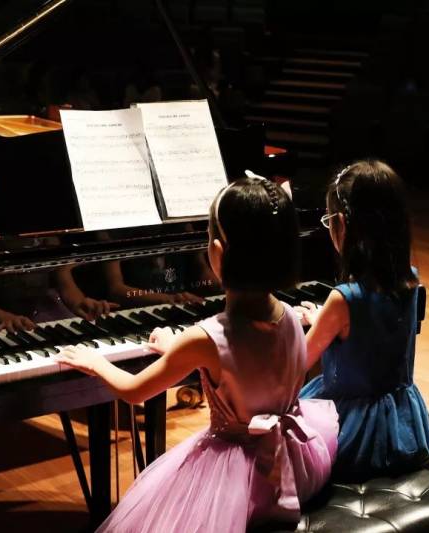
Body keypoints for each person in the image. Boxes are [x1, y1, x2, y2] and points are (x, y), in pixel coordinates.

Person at [58, 177, 338, 531]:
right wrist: (179, 350)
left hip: (237, 479)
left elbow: (135, 391)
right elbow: (245, 365)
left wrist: (96, 363)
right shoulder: (290, 318)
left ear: (217, 253)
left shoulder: (204, 339)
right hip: (292, 462)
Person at [298, 160, 429, 482]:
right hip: (405, 426)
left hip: (356, 435)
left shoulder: (343, 299)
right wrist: (324, 321)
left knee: (277, 448)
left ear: (342, 224)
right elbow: (371, 330)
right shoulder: (410, 281)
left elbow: (298, 360)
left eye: (328, 220)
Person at [0, 265, 117, 333]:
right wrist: (8, 317)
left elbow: (65, 284)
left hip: (38, 312)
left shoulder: (47, 237)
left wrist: (80, 302)